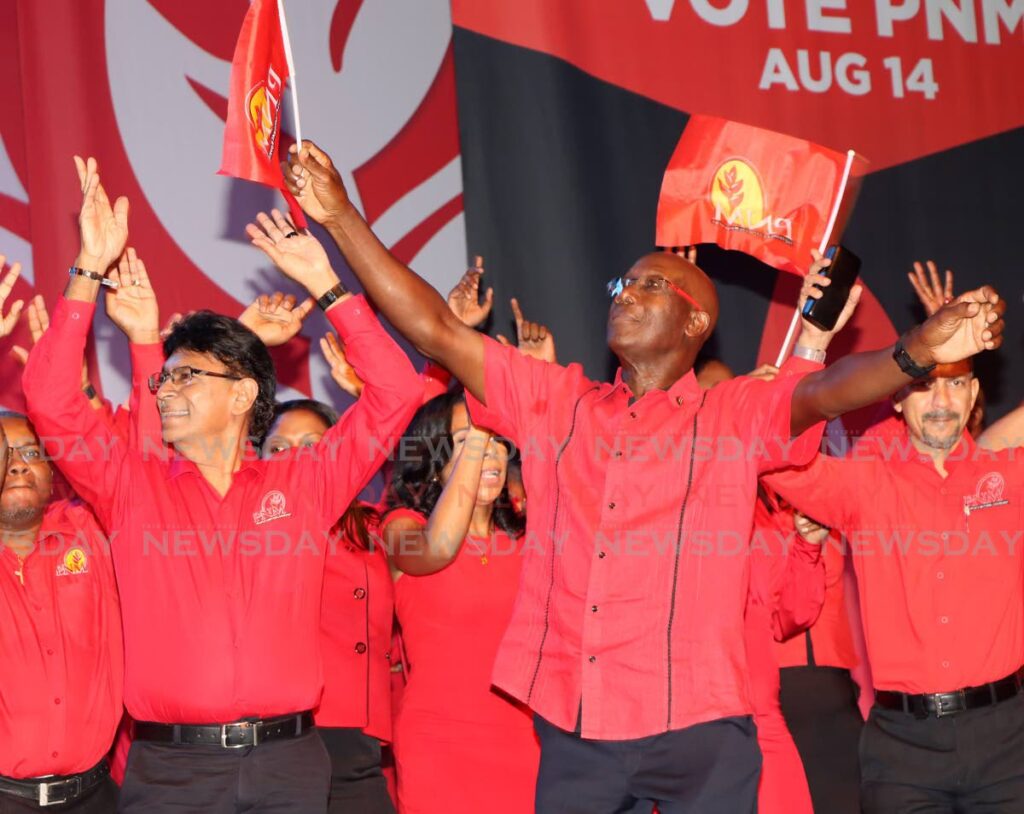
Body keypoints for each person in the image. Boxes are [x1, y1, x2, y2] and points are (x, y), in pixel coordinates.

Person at [278, 138, 1003, 812]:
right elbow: (435, 329)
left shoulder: (731, 414)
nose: (624, 292)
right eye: (624, 281)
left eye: (650, 285)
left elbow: (823, 392)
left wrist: (913, 352)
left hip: (703, 732)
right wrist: (341, 217)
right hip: (578, 726)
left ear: (695, 324)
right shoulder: (558, 403)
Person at [22, 156, 423, 813]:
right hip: (172, 771)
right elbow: (49, 398)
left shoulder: (305, 482)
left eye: (187, 377)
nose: (165, 389)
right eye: (164, 378)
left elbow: (398, 391)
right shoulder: (129, 485)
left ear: (241, 396)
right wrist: (88, 268)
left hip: (289, 764)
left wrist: (327, 283)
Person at [767, 353, 1024, 812]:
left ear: (973, 394)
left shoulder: (1010, 476)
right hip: (903, 750)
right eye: (923, 387)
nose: (941, 401)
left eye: (955, 384)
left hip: (1009, 740)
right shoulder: (864, 484)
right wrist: (807, 350)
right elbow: (777, 452)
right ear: (898, 399)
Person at [381, 389, 538, 813]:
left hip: (528, 742)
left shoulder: (526, 540)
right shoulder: (403, 528)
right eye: (469, 441)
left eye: (497, 443)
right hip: (439, 745)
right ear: (435, 463)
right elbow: (439, 548)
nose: (489, 455)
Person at [261, 400, 396, 814]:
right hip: (283, 740)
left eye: (312, 444)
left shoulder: (377, 527)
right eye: (279, 448)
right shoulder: (247, 531)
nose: (296, 458)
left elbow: (422, 485)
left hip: (359, 747)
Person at [0, 412, 122, 812]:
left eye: (32, 452)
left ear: (54, 473)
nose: (16, 463)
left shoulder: (89, 533)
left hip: (95, 798)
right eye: (2, 453)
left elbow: (125, 457)